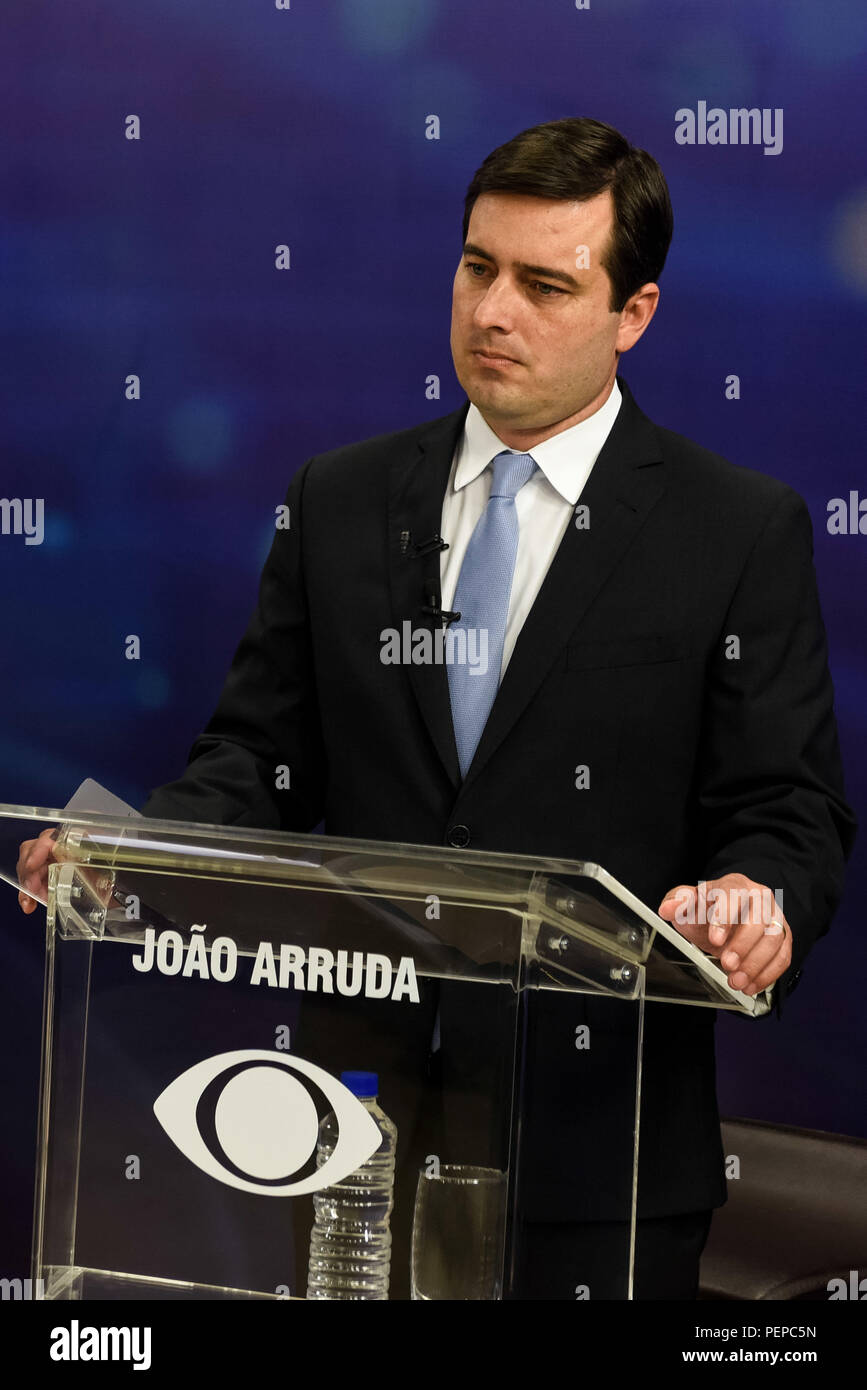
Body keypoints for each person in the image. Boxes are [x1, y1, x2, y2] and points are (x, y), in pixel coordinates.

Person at [18, 117, 856, 1298]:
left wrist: (757, 899)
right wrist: (135, 853)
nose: (491, 310)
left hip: (598, 1173)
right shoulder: (343, 498)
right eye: (478, 267)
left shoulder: (733, 530)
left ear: (636, 315)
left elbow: (786, 808)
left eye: (544, 283)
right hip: (350, 1142)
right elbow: (260, 760)